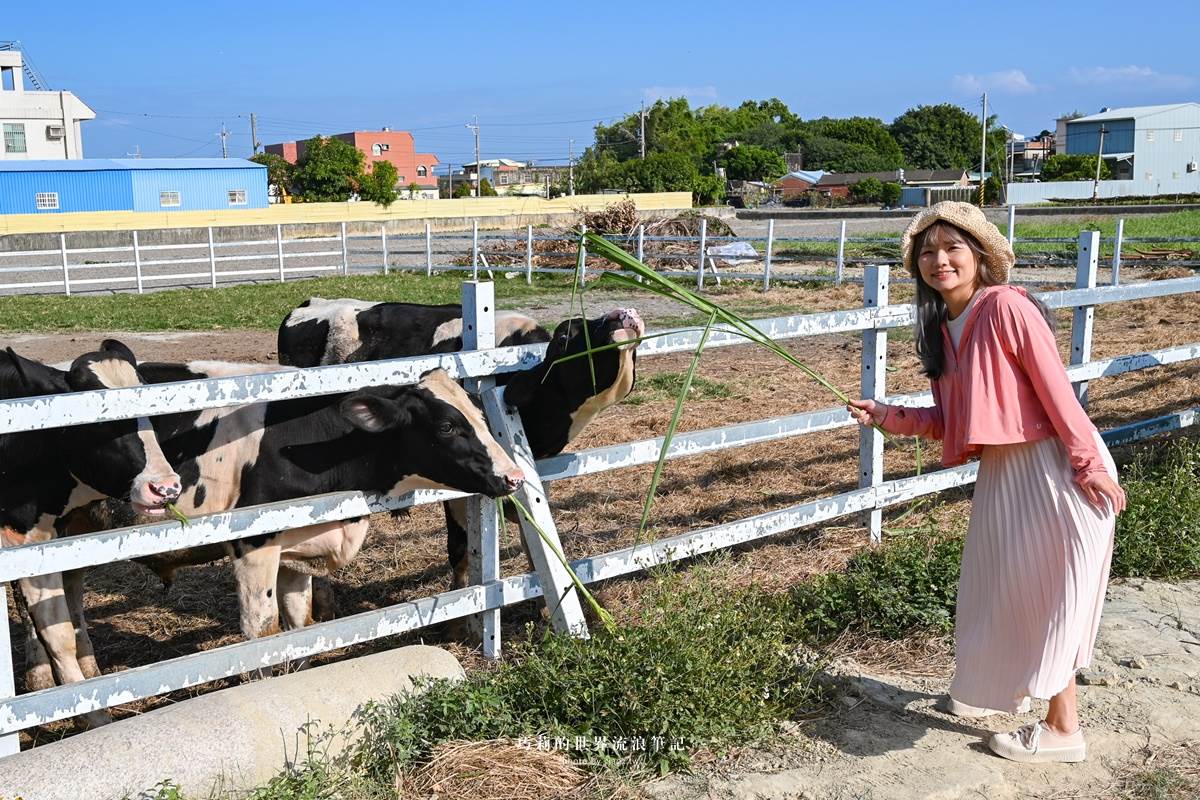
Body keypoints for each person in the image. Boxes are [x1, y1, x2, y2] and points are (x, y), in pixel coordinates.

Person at [847, 202, 1126, 764]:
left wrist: (1088, 463)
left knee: (1052, 596)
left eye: (952, 247)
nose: (939, 260)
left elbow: (1057, 393)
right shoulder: (942, 328)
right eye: (927, 251)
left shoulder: (1004, 307)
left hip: (1055, 466)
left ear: (979, 254)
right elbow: (955, 423)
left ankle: (1064, 730)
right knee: (1001, 596)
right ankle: (996, 692)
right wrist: (885, 414)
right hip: (1004, 474)